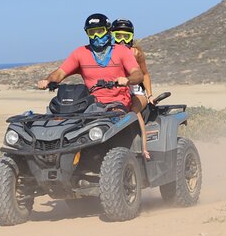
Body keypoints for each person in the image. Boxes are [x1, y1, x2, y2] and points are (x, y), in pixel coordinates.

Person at [37, 13, 143, 113]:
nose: (96, 36)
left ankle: (141, 133)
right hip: (90, 104)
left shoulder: (122, 51)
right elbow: (60, 73)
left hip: (118, 103)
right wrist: (47, 81)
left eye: (100, 31)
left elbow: (138, 74)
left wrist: (128, 80)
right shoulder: (80, 53)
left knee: (119, 123)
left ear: (108, 31)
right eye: (92, 32)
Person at [111, 18, 153, 160]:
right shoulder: (108, 54)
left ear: (132, 37)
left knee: (133, 110)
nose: (122, 40)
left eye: (126, 36)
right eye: (118, 36)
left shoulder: (136, 53)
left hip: (136, 92)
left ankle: (144, 148)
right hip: (117, 93)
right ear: (112, 36)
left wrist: (150, 95)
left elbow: (145, 74)